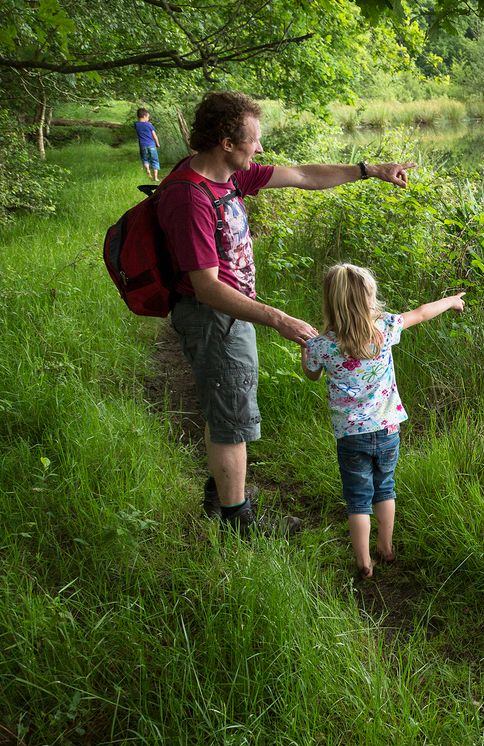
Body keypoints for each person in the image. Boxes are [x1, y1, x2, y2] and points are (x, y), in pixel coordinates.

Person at [158, 90, 416, 533]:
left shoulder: (230, 177)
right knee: (231, 418)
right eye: (253, 139)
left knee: (228, 410)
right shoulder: (191, 197)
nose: (258, 148)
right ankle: (239, 520)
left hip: (231, 318)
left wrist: (370, 170)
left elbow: (302, 175)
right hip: (214, 320)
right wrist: (276, 317)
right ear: (225, 142)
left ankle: (223, 493)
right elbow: (206, 288)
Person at [300, 264, 465, 576]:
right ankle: (386, 547)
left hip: (351, 436)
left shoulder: (322, 345)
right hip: (388, 428)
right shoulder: (386, 328)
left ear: (331, 302)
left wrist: (305, 348)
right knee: (384, 488)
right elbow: (422, 312)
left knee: (358, 497)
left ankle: (364, 562)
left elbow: (311, 374)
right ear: (369, 299)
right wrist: (452, 301)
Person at [134, 108, 160, 180]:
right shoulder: (149, 125)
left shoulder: (136, 125)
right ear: (144, 116)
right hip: (151, 145)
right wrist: (157, 144)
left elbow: (138, 125)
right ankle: (155, 177)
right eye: (148, 117)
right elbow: (154, 136)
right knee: (155, 160)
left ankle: (148, 172)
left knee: (145, 159)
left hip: (142, 145)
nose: (148, 119)